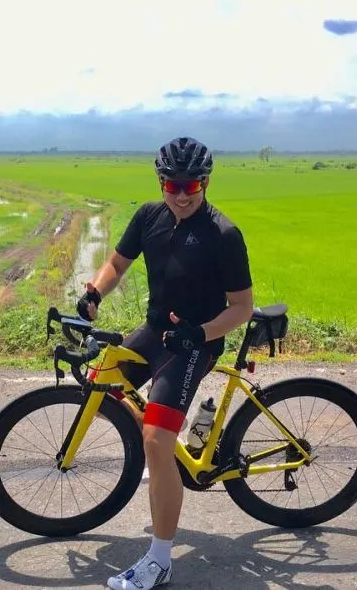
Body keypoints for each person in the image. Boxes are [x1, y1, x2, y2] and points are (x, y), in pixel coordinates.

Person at [76, 136, 254, 590]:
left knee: (155, 441)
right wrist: (95, 292)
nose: (181, 194)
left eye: (191, 185)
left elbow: (242, 308)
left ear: (206, 182)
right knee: (101, 385)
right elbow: (117, 264)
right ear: (160, 182)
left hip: (194, 342)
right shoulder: (149, 217)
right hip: (154, 332)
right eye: (172, 184)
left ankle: (160, 561)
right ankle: (176, 433)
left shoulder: (224, 234)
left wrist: (201, 332)